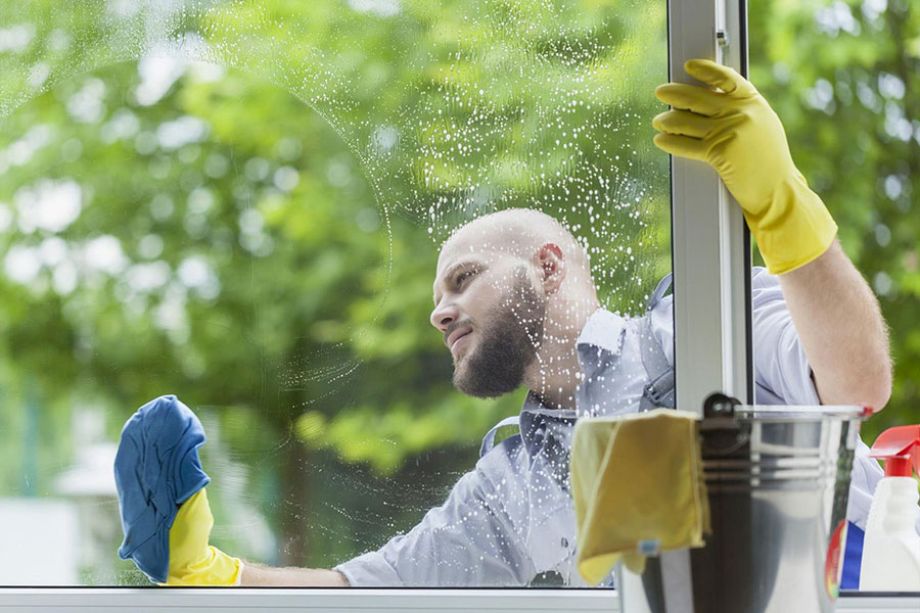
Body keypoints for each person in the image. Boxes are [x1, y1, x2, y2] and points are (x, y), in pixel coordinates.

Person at [125, 61, 894, 587]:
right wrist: (211, 572)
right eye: (438, 295)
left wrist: (782, 204)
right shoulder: (510, 486)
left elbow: (858, 383)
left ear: (550, 264)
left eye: (463, 278)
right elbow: (360, 590)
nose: (438, 309)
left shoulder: (704, 321)